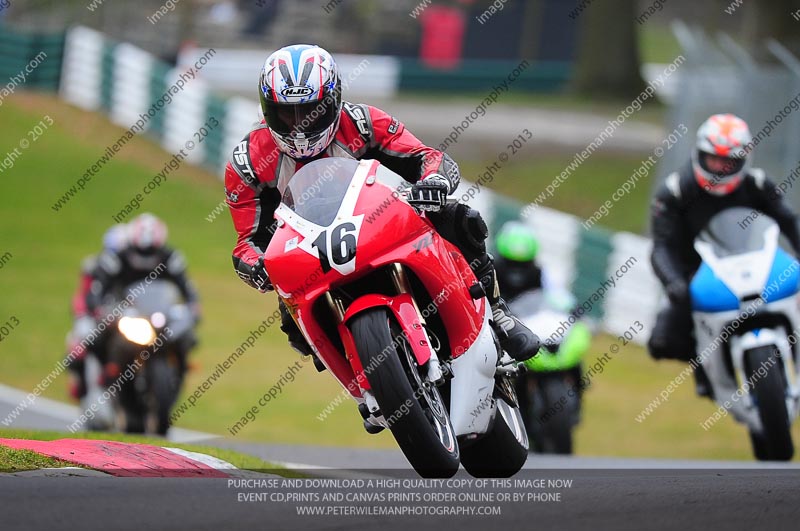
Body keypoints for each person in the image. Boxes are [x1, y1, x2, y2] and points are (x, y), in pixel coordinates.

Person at [224, 44, 540, 365]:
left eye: (311, 111)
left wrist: (434, 181)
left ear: (332, 101)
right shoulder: (248, 161)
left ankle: (497, 311)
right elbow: (247, 242)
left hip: (377, 224)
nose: (299, 124)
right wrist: (257, 265)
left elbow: (427, 157)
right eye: (286, 112)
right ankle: (369, 392)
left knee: (458, 218)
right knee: (294, 327)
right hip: (309, 253)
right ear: (267, 109)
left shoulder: (361, 122)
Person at [648, 113, 800, 396]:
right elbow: (661, 245)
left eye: (728, 161)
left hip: (754, 263)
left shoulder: (756, 184)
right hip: (698, 274)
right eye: (713, 159)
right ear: (700, 154)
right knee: (662, 341)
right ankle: (707, 371)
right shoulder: (675, 192)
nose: (719, 168)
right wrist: (674, 282)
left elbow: (789, 221)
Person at [84, 213, 200, 379]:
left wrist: (193, 305)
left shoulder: (171, 257)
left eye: (151, 252)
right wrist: (97, 307)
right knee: (94, 337)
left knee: (187, 334)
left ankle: (180, 366)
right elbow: (99, 285)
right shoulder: (117, 258)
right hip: (127, 310)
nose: (145, 259)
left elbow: (186, 285)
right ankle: (108, 371)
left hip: (159, 311)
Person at [66, 224, 130, 400]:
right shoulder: (93, 265)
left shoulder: (133, 271)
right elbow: (82, 294)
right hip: (96, 314)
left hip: (124, 317)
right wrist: (86, 312)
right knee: (82, 337)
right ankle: (81, 384)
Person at [494, 220, 545, 301]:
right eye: (511, 263)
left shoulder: (537, 273)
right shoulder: (493, 268)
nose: (516, 274)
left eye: (523, 265)